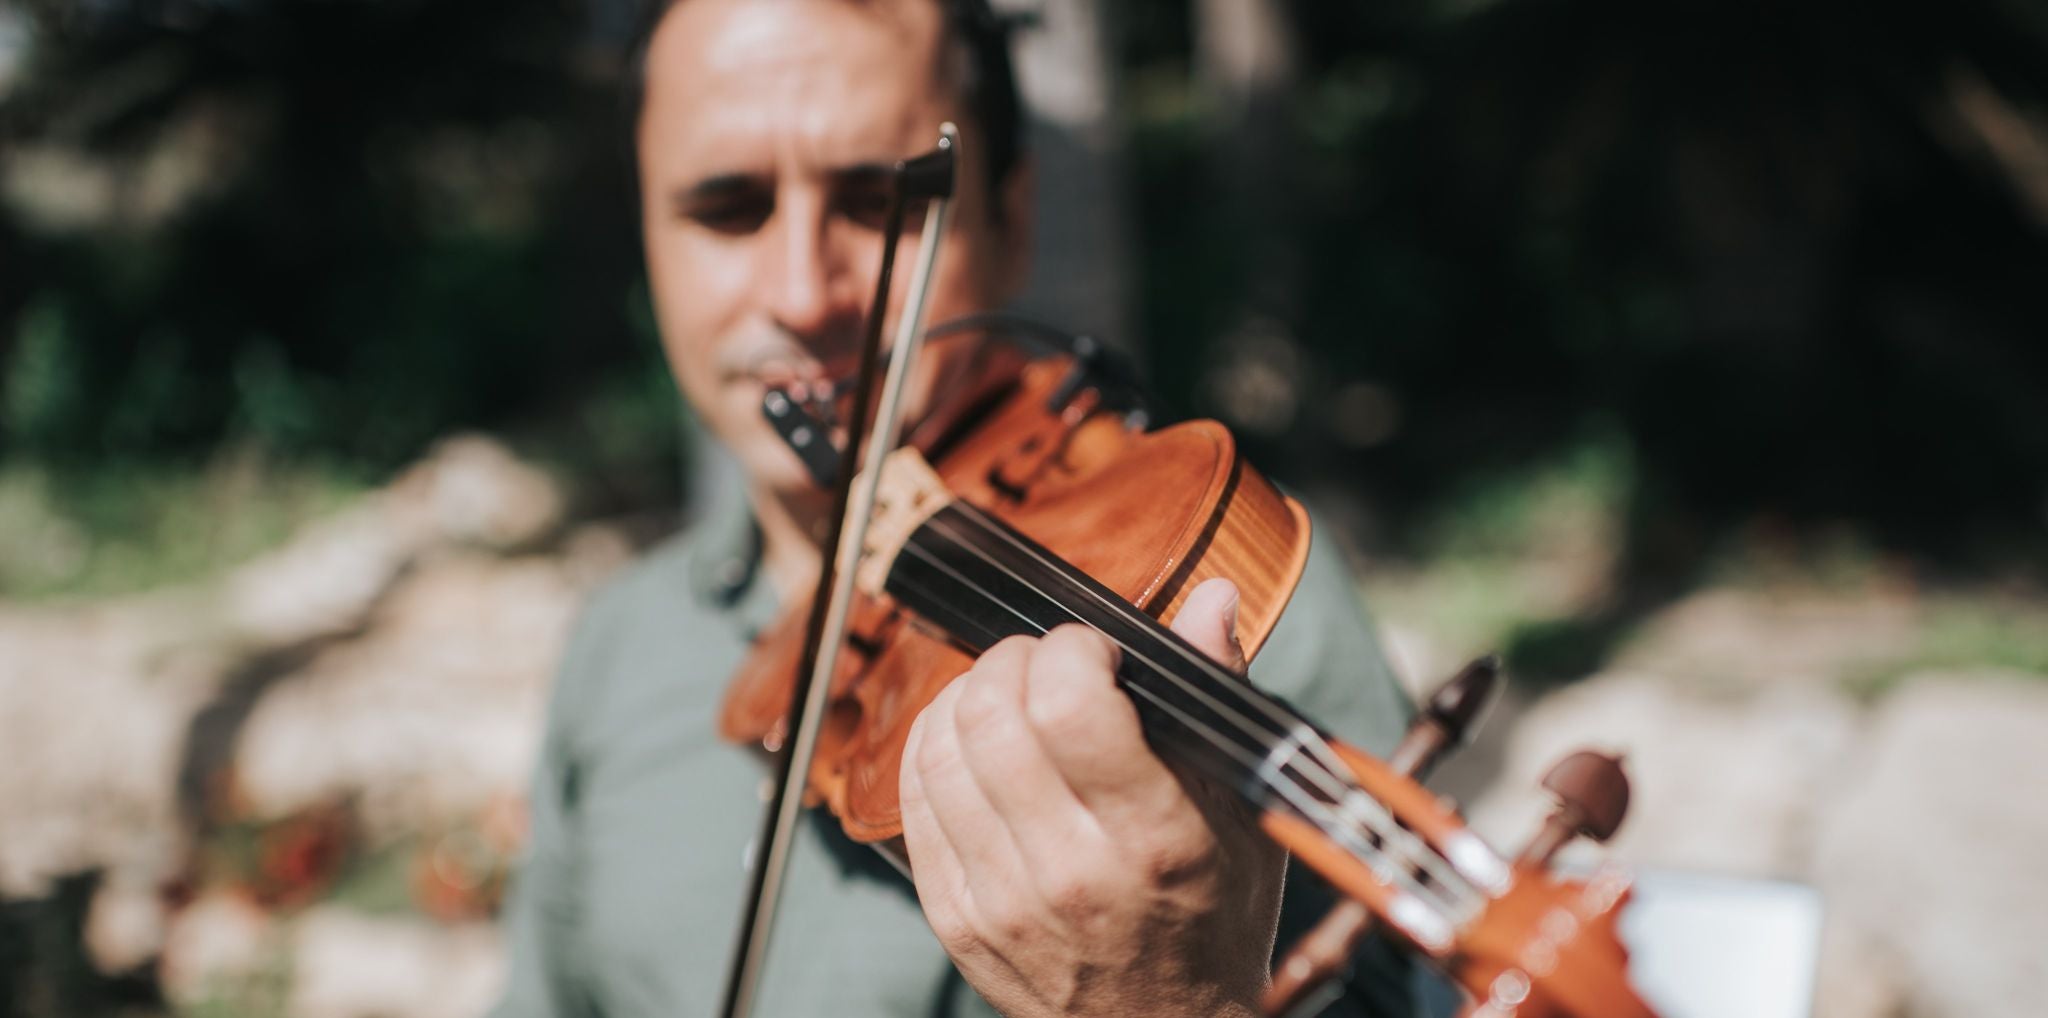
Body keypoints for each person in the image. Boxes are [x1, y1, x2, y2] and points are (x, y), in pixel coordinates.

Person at [491, 0, 1420, 1015]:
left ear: (1007, 223)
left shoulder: (1221, 599)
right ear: (649, 243)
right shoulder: (619, 644)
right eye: (727, 209)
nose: (803, 295)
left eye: (877, 202)